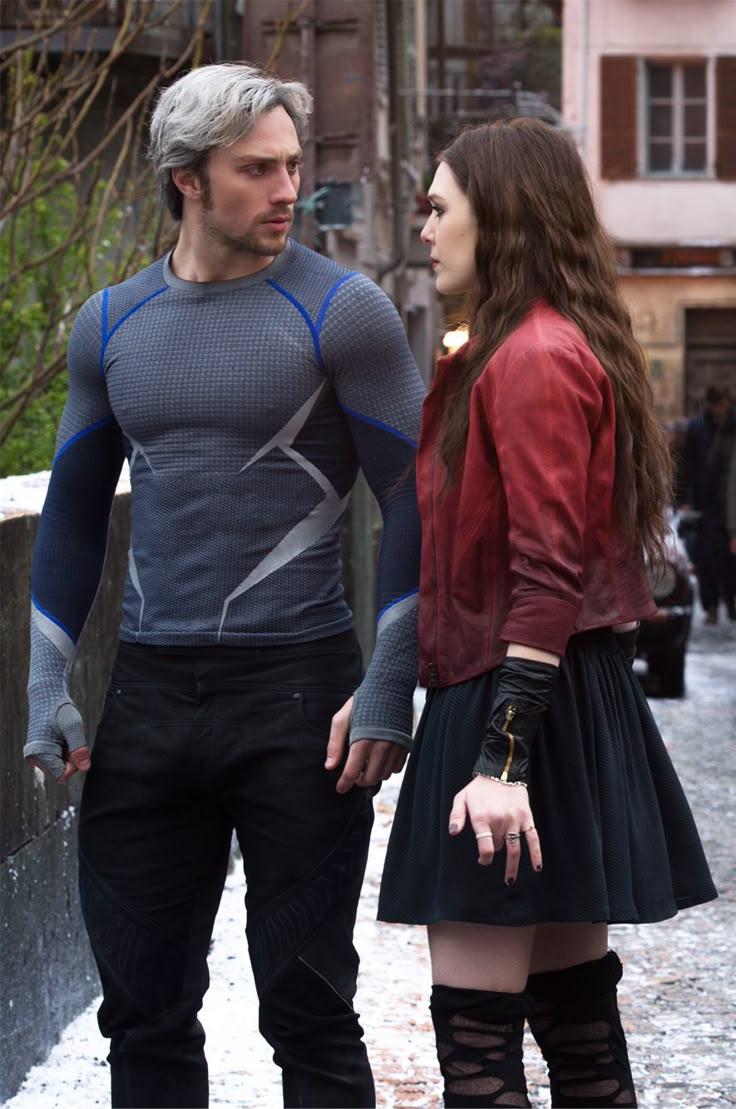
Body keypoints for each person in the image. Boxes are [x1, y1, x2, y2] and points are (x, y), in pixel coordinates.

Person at [24, 63, 425, 1109]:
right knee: (142, 1014)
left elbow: (419, 499)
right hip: (151, 698)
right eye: (257, 169)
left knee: (307, 1008)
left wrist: (390, 679)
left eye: (292, 164)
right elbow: (70, 510)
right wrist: (46, 679)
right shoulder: (109, 324)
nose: (288, 187)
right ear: (186, 178)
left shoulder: (347, 313)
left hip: (301, 696)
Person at [377, 118, 717, 1108]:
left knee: (482, 1059)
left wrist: (499, 757)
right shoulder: (545, 344)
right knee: (578, 1034)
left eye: (441, 206)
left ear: (502, 213)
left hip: (517, 701)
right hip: (561, 700)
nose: (426, 227)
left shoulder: (527, 355)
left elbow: (544, 564)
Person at [681, 385, 736, 622]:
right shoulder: (698, 428)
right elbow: (687, 465)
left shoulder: (731, 428)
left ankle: (730, 604)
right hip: (707, 501)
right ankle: (711, 605)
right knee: (707, 557)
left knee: (728, 557)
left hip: (727, 500)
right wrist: (684, 499)